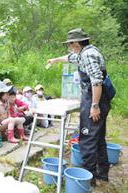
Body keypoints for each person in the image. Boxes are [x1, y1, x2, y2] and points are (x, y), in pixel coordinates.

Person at [47, 28, 111, 186]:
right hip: (98, 98)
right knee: (98, 138)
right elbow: (69, 58)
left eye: (69, 43)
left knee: (87, 139)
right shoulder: (85, 52)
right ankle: (102, 173)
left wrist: (94, 106)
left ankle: (88, 179)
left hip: (95, 99)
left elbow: (96, 81)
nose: (68, 46)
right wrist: (54, 60)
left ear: (76, 43)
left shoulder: (88, 55)